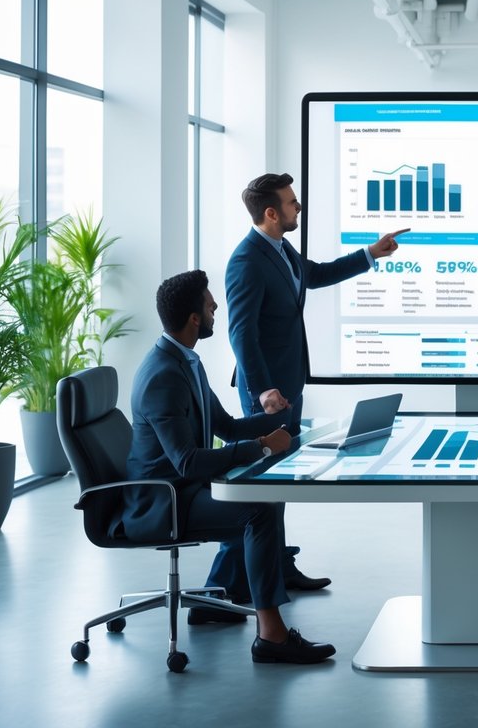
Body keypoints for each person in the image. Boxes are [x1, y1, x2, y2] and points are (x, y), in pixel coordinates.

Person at [122, 271, 337, 663]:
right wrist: (260, 446)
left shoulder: (185, 361)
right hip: (164, 502)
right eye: (208, 303)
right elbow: (187, 462)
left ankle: (222, 606)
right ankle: (272, 636)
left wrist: (289, 425)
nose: (216, 307)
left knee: (259, 501)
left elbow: (227, 427)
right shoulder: (163, 377)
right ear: (193, 318)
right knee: (259, 509)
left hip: (183, 491)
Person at [216, 172, 408, 600]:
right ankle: (223, 586)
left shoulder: (280, 249)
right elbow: (241, 332)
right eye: (291, 203)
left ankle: (278, 566)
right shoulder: (247, 260)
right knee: (256, 486)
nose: (298, 207)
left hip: (287, 383)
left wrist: (371, 253)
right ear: (271, 212)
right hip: (266, 394)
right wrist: (263, 389)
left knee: (276, 480)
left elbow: (317, 274)